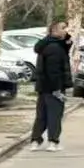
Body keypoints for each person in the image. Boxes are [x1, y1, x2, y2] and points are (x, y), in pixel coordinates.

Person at [31, 20, 72, 152]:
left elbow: (67, 44)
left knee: (41, 115)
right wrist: (57, 89)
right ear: (54, 30)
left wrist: (67, 37)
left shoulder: (47, 44)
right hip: (54, 87)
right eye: (63, 28)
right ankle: (53, 142)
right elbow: (54, 71)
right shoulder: (55, 48)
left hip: (43, 87)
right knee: (55, 115)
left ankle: (35, 141)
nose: (66, 31)